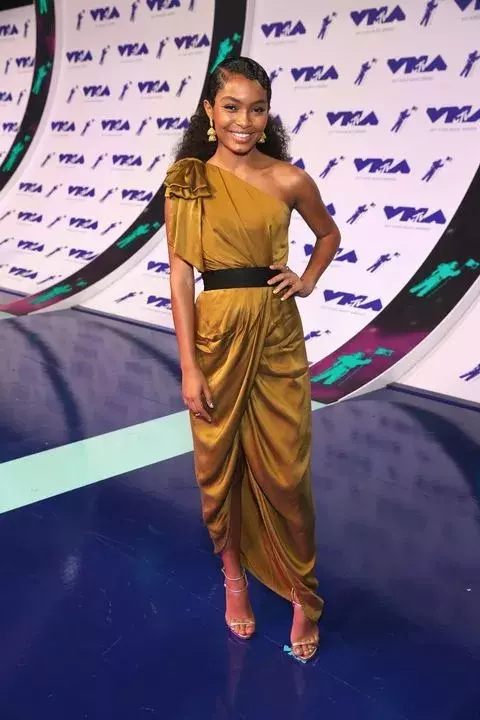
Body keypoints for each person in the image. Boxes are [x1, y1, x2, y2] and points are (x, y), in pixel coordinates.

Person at [164, 57, 340, 661]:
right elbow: (180, 278)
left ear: (268, 115)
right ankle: (234, 577)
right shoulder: (188, 181)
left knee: (287, 474)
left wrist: (307, 278)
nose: (244, 120)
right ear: (209, 112)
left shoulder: (290, 179)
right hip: (215, 338)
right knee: (221, 468)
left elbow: (328, 234)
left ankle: (302, 592)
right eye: (231, 107)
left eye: (257, 108)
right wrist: (189, 366)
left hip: (277, 336)